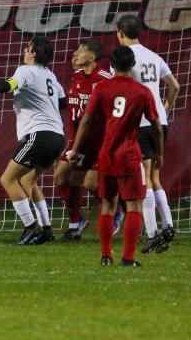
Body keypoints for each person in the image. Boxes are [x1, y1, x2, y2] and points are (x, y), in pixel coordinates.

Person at [68, 46, 163, 267]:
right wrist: (159, 152)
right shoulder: (142, 92)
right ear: (132, 65)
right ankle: (128, 258)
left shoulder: (101, 88)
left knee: (107, 206)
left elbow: (86, 120)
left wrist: (75, 149)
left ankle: (106, 256)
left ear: (112, 65)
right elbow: (157, 127)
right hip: (130, 154)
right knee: (134, 206)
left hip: (106, 154)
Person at [0, 36, 66, 245]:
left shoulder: (26, 70)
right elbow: (62, 102)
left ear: (34, 53)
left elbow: (10, 84)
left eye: (27, 48)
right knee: (28, 180)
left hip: (40, 134)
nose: (24, 51)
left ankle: (30, 226)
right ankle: (46, 229)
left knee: (7, 179)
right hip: (57, 136)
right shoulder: (51, 76)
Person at [115, 15, 181, 254]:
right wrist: (165, 109)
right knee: (154, 178)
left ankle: (152, 233)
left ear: (121, 33)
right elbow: (175, 86)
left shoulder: (126, 59)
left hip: (141, 123)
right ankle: (169, 226)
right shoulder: (154, 56)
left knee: (144, 182)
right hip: (159, 122)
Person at [54, 39, 112, 241]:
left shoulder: (106, 79)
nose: (75, 54)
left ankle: (120, 209)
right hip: (78, 141)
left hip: (100, 141)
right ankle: (76, 223)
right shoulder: (76, 76)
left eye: (80, 51)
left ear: (92, 57)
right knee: (62, 178)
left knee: (90, 183)